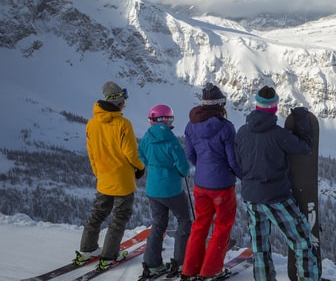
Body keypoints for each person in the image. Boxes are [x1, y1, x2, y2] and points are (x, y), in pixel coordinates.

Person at [234, 86, 319, 281]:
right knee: (302, 241)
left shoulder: (242, 132)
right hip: (276, 198)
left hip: (251, 199)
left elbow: (239, 162)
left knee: (260, 247)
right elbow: (305, 147)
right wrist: (301, 119)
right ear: (274, 107)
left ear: (257, 105)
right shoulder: (278, 135)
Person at [75, 81, 146, 271]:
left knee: (97, 214)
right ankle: (109, 255)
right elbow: (130, 153)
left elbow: (91, 153)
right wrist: (140, 168)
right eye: (124, 99)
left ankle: (87, 250)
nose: (126, 103)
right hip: (122, 179)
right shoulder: (123, 124)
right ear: (118, 101)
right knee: (119, 217)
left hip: (103, 178)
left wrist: (98, 173)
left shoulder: (91, 124)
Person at [181, 82, 243, 281]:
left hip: (200, 185)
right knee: (222, 226)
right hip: (222, 187)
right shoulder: (226, 128)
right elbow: (233, 161)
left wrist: (205, 168)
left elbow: (190, 156)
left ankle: (189, 270)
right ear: (220, 105)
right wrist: (245, 176)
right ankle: (210, 271)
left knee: (200, 225)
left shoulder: (191, 126)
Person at [138, 104, 193, 279]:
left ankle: (152, 264)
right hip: (172, 189)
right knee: (184, 220)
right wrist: (178, 172)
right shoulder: (170, 140)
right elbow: (183, 167)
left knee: (158, 224)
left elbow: (142, 156)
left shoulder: (147, 137)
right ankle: (181, 260)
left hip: (153, 189)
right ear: (166, 119)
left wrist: (154, 169)